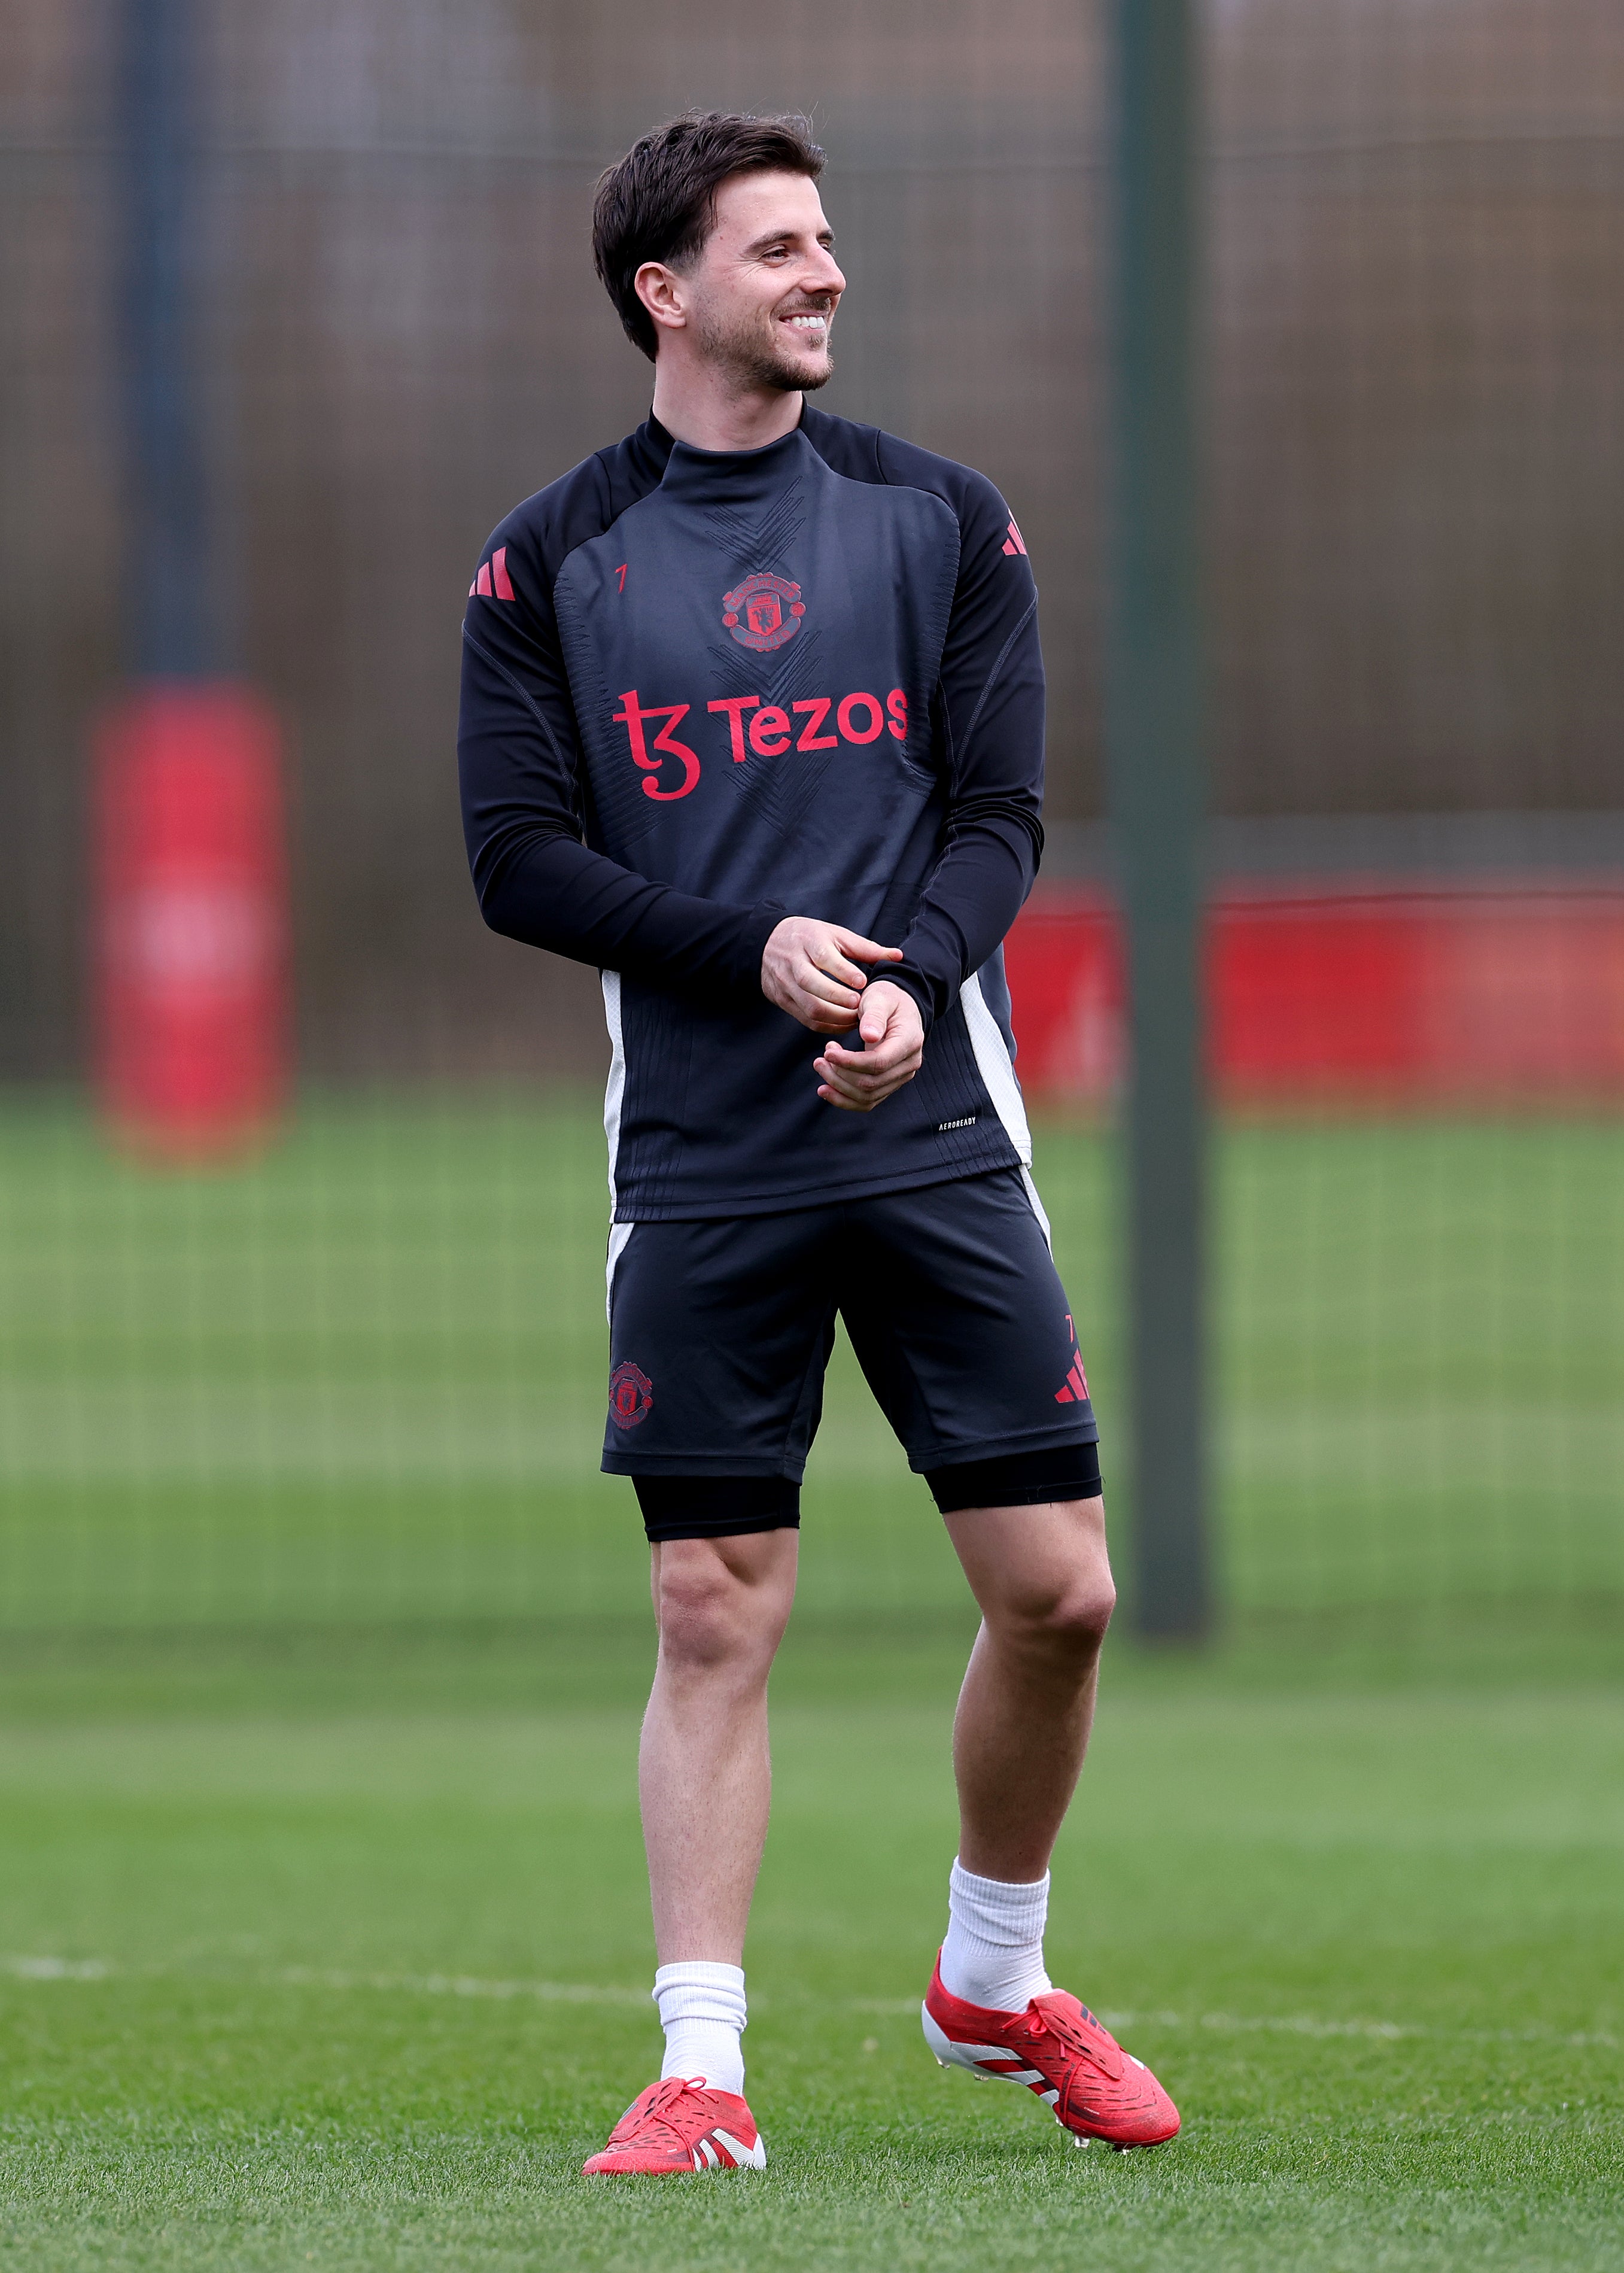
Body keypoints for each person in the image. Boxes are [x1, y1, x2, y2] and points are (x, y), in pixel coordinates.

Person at [457, 110, 1179, 2177]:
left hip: (936, 1127)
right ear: (663, 294)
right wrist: (754, 960)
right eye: (778, 247)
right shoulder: (544, 559)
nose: (825, 272)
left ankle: (991, 1977)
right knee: (714, 1603)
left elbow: (997, 817)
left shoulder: (946, 521)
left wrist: (901, 985)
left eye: (828, 240)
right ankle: (703, 2069)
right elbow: (517, 861)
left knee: (1059, 1594)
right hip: (699, 1156)